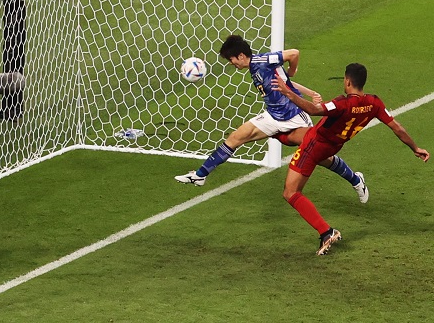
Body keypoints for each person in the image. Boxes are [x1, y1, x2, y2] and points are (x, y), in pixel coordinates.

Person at [175, 34, 369, 203]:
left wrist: (292, 70)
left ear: (241, 56)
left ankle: (355, 179)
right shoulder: (254, 68)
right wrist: (308, 90)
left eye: (231, 59)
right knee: (236, 137)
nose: (231, 64)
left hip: (295, 117)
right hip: (273, 116)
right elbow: (284, 80)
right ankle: (200, 175)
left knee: (320, 156)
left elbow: (294, 53)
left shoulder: (263, 60)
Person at [272, 63, 429, 255]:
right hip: (332, 146)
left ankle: (326, 232)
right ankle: (354, 179)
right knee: (286, 136)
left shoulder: (342, 104)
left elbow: (314, 110)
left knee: (291, 192)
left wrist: (288, 93)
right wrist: (415, 148)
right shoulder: (374, 103)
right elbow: (398, 128)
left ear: (347, 81)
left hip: (314, 146)